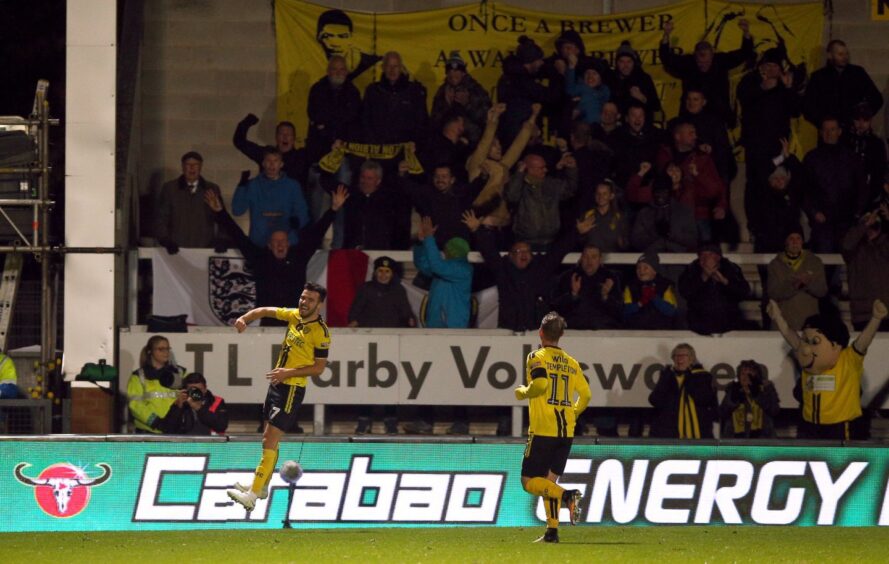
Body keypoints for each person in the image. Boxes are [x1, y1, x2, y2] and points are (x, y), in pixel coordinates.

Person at [227, 282, 331, 511]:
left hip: (291, 388)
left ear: (320, 305)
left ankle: (252, 496)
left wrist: (288, 373)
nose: (304, 302)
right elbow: (264, 310)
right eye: (303, 297)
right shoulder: (295, 316)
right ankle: (262, 485)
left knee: (269, 439)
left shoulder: (320, 332)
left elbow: (319, 368)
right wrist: (245, 319)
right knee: (268, 437)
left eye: (310, 300)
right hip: (278, 385)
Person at [205, 185, 347, 325]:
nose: (280, 245)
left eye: (283, 241)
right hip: (269, 321)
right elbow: (238, 237)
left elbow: (317, 234)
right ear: (269, 245)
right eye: (276, 242)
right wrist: (220, 212)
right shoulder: (260, 259)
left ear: (288, 244)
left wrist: (333, 210)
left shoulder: (298, 257)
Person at [514, 311, 590, 543]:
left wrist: (522, 392)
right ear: (561, 335)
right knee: (548, 482)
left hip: (543, 430)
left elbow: (540, 384)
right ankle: (552, 531)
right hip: (566, 432)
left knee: (529, 482)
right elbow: (586, 395)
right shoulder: (572, 363)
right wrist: (573, 413)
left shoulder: (536, 356)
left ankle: (568, 496)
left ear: (540, 332)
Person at [767, 298, 887, 440]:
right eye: (806, 340)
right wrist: (778, 317)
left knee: (838, 460)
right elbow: (790, 336)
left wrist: (875, 318)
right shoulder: (807, 360)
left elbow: (863, 341)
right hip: (809, 426)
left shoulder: (848, 359)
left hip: (839, 427)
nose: (806, 347)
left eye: (815, 342)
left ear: (835, 345)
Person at [463, 210, 594, 331]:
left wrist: (577, 231)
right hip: (509, 332)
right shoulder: (503, 270)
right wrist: (476, 230)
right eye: (519, 251)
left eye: (527, 251)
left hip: (536, 332)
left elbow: (558, 252)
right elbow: (489, 252)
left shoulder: (540, 269)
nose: (524, 254)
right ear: (511, 255)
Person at [349, 256, 415, 436]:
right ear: (375, 272)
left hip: (391, 346)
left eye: (387, 271)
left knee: (390, 383)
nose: (383, 275)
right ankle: (364, 419)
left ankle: (391, 420)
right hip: (368, 347)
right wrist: (354, 322)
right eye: (380, 271)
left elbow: (406, 314)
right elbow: (354, 313)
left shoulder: (398, 291)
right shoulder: (366, 289)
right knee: (367, 382)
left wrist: (410, 321)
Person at [659, 18, 754, 128]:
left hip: (719, 115)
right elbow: (666, 58)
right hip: (692, 117)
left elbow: (745, 53)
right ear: (695, 56)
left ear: (713, 55)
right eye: (700, 62)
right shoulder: (688, 63)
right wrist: (666, 34)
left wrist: (746, 32)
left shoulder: (721, 61)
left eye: (707, 61)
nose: (704, 65)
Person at [802, 117, 867, 254]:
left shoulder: (852, 158)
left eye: (832, 129)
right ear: (820, 132)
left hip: (847, 220)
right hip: (822, 222)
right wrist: (814, 212)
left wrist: (857, 213)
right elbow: (804, 190)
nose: (828, 133)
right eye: (825, 130)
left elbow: (861, 187)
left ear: (839, 131)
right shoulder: (812, 158)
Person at [656, 120, 727, 243]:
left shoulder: (703, 159)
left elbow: (716, 188)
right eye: (691, 133)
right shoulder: (663, 156)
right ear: (678, 136)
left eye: (695, 133)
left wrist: (721, 205)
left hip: (698, 216)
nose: (695, 136)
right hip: (669, 216)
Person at [232, 148, 310, 248]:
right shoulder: (253, 185)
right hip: (260, 244)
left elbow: (302, 212)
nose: (272, 164)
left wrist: (297, 221)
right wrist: (241, 186)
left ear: (281, 164)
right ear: (263, 163)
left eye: (275, 161)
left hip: (286, 244)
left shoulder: (293, 186)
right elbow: (237, 210)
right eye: (268, 160)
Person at [154, 151, 225, 254]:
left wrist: (222, 240)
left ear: (201, 167)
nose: (192, 168)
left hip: (205, 249)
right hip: (177, 250)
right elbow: (161, 218)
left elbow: (222, 218)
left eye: (195, 164)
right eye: (188, 164)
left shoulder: (212, 189)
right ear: (183, 166)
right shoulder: (170, 189)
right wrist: (165, 240)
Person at [803, 39, 884, 129]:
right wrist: (823, 123)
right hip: (829, 134)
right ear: (830, 55)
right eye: (840, 54)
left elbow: (877, 99)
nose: (845, 57)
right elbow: (808, 107)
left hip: (854, 131)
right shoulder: (818, 77)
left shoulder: (858, 73)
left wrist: (863, 118)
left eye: (846, 54)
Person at [504, 152, 578, 249]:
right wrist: (519, 173)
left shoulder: (550, 184)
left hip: (551, 241)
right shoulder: (519, 185)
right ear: (529, 169)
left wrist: (571, 169)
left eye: (545, 167)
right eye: (541, 168)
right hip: (525, 243)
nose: (545, 170)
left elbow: (569, 190)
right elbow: (511, 196)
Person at [497, 35, 559, 148]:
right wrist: (557, 74)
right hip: (519, 135)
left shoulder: (512, 76)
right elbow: (550, 97)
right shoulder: (522, 80)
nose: (541, 63)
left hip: (513, 132)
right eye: (539, 60)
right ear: (531, 61)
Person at [413, 217, 473, 329]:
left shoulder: (463, 270)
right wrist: (421, 241)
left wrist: (429, 238)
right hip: (435, 325)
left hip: (453, 328)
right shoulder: (446, 268)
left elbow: (437, 266)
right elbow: (423, 265)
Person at [678, 243, 750, 335]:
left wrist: (725, 282)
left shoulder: (731, 269)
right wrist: (703, 277)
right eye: (702, 255)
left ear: (718, 257)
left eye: (709, 255)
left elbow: (744, 292)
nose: (705, 258)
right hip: (699, 327)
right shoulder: (691, 270)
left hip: (729, 326)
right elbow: (685, 292)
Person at [648, 343, 717, 439]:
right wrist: (665, 379)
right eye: (676, 356)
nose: (679, 359)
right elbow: (654, 400)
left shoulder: (703, 376)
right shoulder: (667, 376)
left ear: (692, 358)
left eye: (683, 356)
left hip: (699, 437)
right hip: (669, 436)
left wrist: (690, 376)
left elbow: (704, 399)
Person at [766, 227, 827, 331]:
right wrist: (794, 285)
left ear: (802, 241)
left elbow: (822, 291)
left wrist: (808, 283)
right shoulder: (775, 265)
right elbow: (773, 293)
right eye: (791, 238)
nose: (795, 242)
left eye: (798, 238)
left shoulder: (814, 262)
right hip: (783, 324)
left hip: (809, 325)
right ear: (785, 242)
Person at [362, 51, 428, 145]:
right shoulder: (372, 91)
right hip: (378, 150)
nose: (392, 70)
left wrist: (414, 143)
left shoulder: (414, 92)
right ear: (383, 68)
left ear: (401, 68)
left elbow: (421, 122)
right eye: (389, 66)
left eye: (396, 66)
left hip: (405, 150)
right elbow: (365, 120)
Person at [550, 244, 622, 330]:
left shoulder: (610, 278)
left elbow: (618, 311)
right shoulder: (569, 277)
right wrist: (573, 295)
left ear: (600, 260)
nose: (589, 261)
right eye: (586, 256)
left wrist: (605, 297)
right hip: (573, 329)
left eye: (594, 257)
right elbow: (556, 306)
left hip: (603, 331)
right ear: (581, 259)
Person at [342, 160, 410, 250]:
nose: (365, 181)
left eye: (369, 178)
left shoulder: (388, 202)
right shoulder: (351, 197)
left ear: (378, 181)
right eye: (363, 177)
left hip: (381, 252)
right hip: (353, 252)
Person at [841, 205, 889, 331]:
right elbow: (847, 245)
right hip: (864, 314)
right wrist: (865, 224)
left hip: (887, 313)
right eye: (867, 222)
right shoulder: (855, 249)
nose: (871, 226)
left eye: (875, 223)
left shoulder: (885, 244)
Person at [127, 335, 186, 434]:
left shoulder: (180, 372)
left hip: (176, 430)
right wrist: (156, 422)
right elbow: (135, 405)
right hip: (149, 431)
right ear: (150, 351)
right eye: (161, 349)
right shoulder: (138, 376)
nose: (166, 352)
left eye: (167, 349)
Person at [430, 51, 491, 145]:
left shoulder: (476, 90)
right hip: (448, 143)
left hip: (472, 142)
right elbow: (434, 121)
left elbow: (486, 118)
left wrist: (467, 104)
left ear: (463, 73)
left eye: (456, 71)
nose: (453, 74)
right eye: (449, 71)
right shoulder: (442, 91)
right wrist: (447, 105)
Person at [233, 115, 308, 189]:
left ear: (294, 138)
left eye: (289, 134)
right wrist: (247, 122)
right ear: (276, 137)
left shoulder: (301, 156)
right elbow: (239, 142)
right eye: (281, 134)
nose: (285, 137)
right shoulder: (266, 153)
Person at [630, 176, 698, 253]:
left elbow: (693, 240)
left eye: (664, 192)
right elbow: (635, 241)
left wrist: (671, 234)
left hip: (677, 258)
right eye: (657, 192)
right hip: (652, 258)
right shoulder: (644, 213)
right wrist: (655, 235)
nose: (660, 195)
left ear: (670, 192)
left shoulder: (684, 212)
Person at [314, 9, 381, 81]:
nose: (336, 43)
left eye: (343, 36)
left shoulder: (372, 64)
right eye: (327, 36)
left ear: (352, 38)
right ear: (319, 38)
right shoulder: (312, 64)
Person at [719, 360, 780, 439]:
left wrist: (758, 395)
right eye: (743, 374)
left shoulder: (765, 389)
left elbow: (774, 410)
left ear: (756, 376)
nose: (745, 377)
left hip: (762, 439)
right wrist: (733, 400)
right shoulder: (733, 389)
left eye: (749, 374)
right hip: (735, 440)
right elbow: (722, 412)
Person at [158, 373, 228, 436]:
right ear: (186, 390)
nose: (196, 394)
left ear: (205, 389)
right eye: (193, 390)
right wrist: (177, 407)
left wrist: (199, 408)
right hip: (184, 446)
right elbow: (167, 430)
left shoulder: (217, 401)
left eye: (199, 390)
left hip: (210, 445)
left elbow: (221, 426)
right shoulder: (181, 403)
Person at [610, 41, 661, 125]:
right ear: (617, 63)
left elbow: (656, 106)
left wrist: (642, 98)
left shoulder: (643, 79)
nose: (625, 65)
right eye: (622, 62)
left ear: (634, 63)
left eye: (629, 62)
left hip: (641, 125)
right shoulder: (611, 79)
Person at [623, 252, 678, 330]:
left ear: (654, 271)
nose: (641, 271)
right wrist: (640, 303)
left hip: (661, 332)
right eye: (638, 267)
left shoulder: (665, 285)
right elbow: (625, 312)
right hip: (636, 332)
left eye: (645, 267)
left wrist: (654, 297)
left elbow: (672, 312)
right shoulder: (630, 286)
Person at [578, 180, 628, 252]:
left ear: (611, 196)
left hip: (613, 259)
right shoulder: (587, 215)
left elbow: (626, 244)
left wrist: (622, 243)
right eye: (598, 193)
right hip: (591, 259)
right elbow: (579, 243)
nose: (601, 196)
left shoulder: (619, 217)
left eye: (604, 194)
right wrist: (581, 234)